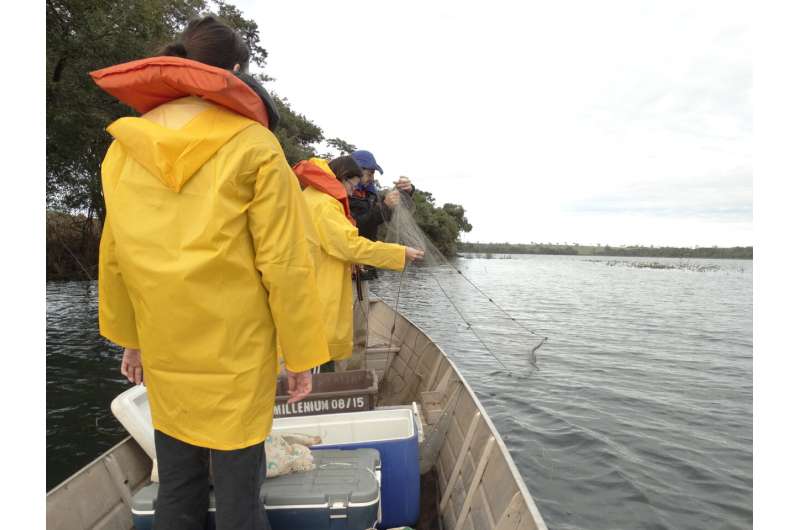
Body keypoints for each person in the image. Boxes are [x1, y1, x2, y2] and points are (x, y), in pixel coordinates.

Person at [92, 15, 330, 530]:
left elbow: (114, 256)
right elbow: (284, 263)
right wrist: (302, 354)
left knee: (176, 487)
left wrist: (130, 341)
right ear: (236, 70)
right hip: (236, 351)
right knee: (240, 493)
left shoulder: (123, 149)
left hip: (164, 344)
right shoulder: (253, 143)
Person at [293, 156, 424, 371]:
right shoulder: (324, 204)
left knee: (347, 340)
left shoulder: (316, 196)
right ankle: (336, 392)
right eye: (353, 184)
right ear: (343, 177)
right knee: (322, 355)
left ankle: (342, 385)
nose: (354, 190)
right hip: (320, 289)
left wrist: (406, 194)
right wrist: (400, 253)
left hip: (328, 282)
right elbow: (351, 245)